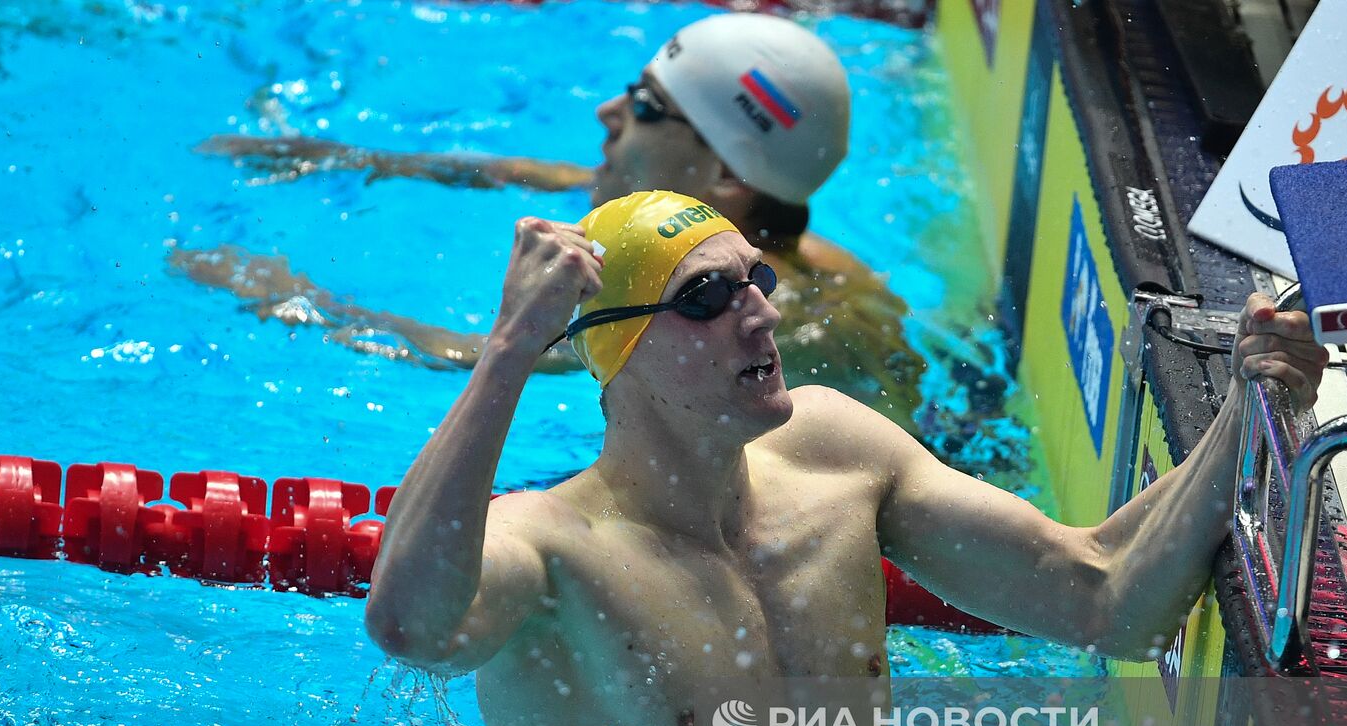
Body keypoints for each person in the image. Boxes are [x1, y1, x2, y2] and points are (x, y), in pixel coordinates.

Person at [362, 192, 1328, 726]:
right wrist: (507, 351)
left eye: (758, 278)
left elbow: (1106, 596)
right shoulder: (550, 549)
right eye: (707, 297)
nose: (762, 313)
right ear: (619, 352)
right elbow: (408, 623)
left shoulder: (832, 452)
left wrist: (1253, 397)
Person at [171, 14, 933, 436]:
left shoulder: (732, 309)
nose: (606, 112)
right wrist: (357, 158)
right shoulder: (760, 233)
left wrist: (290, 295)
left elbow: (478, 359)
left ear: (726, 175)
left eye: (643, 108)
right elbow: (556, 175)